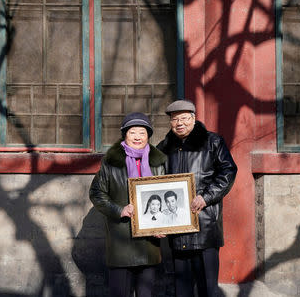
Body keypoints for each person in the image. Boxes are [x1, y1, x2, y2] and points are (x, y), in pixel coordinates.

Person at [157, 100, 237, 297]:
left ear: (194, 119)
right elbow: (155, 183)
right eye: (175, 119)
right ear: (170, 123)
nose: (179, 123)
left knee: (208, 288)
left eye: (184, 118)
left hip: (205, 224)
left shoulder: (213, 142)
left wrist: (206, 197)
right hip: (177, 227)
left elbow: (228, 171)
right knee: (181, 288)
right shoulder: (164, 148)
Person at [89, 112, 167, 297]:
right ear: (125, 134)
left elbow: (163, 197)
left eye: (142, 132)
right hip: (121, 241)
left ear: (148, 135)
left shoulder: (158, 163)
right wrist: (119, 210)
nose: (138, 137)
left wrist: (163, 224)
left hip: (149, 240)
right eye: (133, 132)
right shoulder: (111, 162)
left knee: (145, 293)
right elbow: (96, 193)